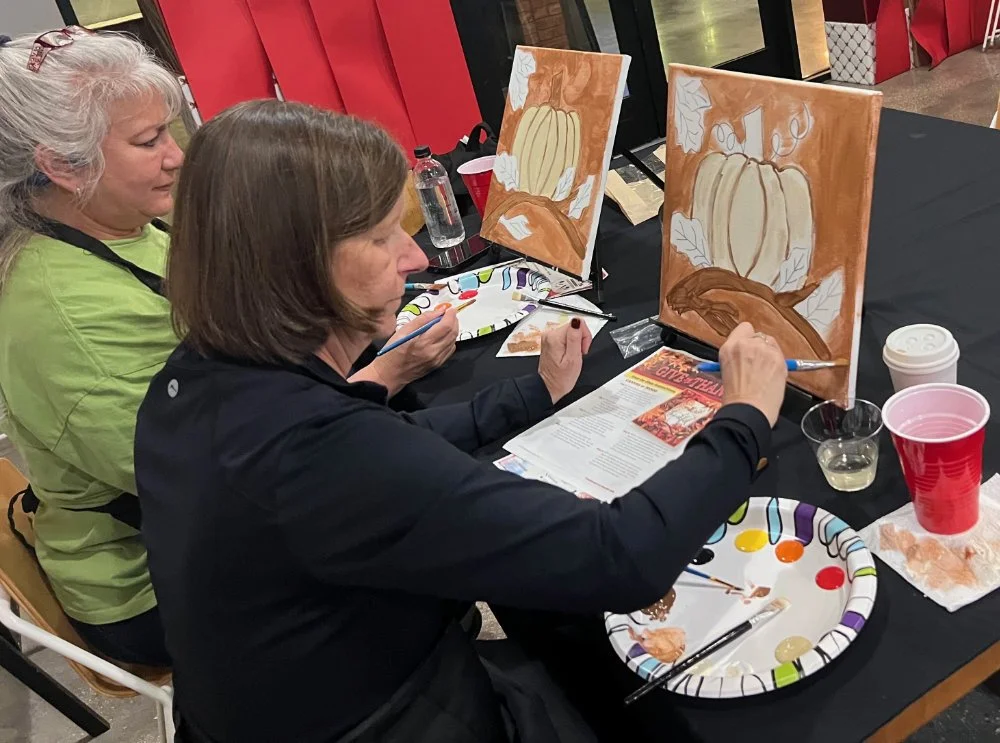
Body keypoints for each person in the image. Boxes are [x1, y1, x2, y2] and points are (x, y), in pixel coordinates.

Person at [134, 100, 788, 743]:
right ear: (298, 263)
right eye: (382, 236)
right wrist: (744, 415)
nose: (413, 257)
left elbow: (391, 446)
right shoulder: (310, 455)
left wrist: (530, 395)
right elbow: (617, 558)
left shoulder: (195, 374)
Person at [0, 29, 456, 667]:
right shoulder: (64, 314)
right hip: (157, 585)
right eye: (148, 140)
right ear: (64, 165)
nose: (176, 156)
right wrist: (381, 372)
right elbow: (220, 484)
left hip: (228, 483)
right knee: (435, 557)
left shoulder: (123, 218)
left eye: (168, 131)